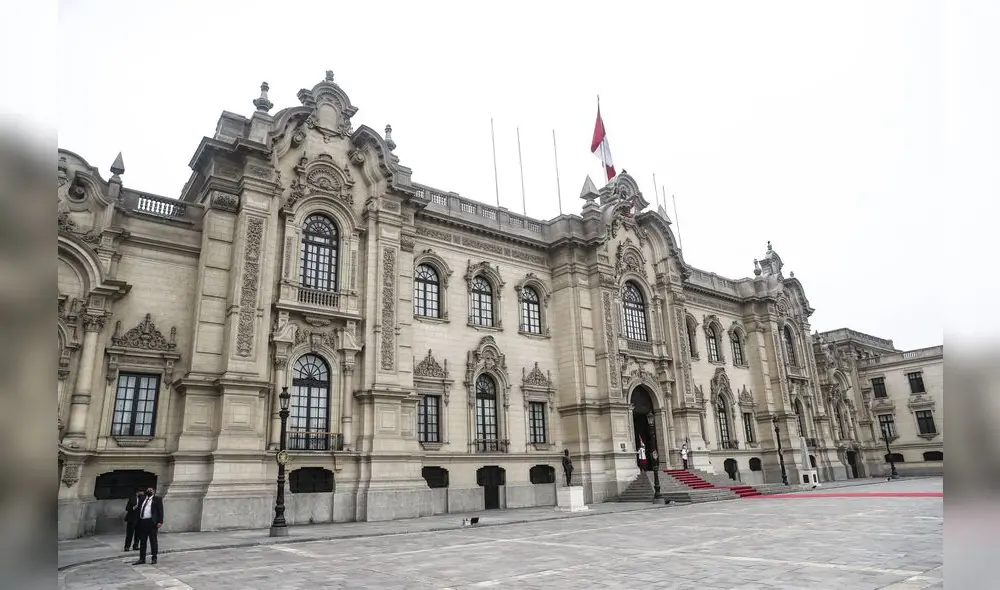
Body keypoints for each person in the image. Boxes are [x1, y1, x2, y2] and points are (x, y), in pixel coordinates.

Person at [132, 487, 164, 565]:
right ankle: (142, 558)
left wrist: (160, 521)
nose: (149, 491)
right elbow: (139, 509)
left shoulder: (157, 499)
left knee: (153, 541)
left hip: (152, 522)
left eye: (151, 490)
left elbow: (160, 511)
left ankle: (154, 557)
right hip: (142, 522)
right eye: (148, 490)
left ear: (154, 492)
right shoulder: (142, 499)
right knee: (143, 541)